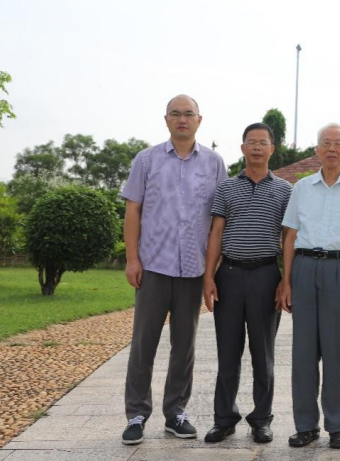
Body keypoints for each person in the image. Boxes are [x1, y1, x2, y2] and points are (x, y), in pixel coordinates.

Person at [119, 95, 227, 445]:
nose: (182, 119)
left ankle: (176, 412)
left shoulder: (214, 163)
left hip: (193, 269)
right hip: (153, 266)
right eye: (176, 114)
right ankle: (136, 414)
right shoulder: (147, 160)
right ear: (166, 119)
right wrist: (132, 259)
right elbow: (133, 210)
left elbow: (219, 219)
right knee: (143, 343)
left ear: (199, 120)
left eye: (188, 114)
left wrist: (212, 270)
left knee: (184, 346)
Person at [277, 123, 340, 449]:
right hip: (304, 269)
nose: (332, 148)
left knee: (336, 353)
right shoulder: (301, 188)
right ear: (317, 149)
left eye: (338, 143)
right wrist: (286, 281)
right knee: (303, 353)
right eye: (326, 143)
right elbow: (290, 235)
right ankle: (305, 426)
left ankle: (336, 425)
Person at [202, 122, 292, 444]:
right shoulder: (226, 188)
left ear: (271, 149)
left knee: (262, 353)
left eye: (262, 142)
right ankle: (224, 419)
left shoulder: (285, 190)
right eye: (251, 142)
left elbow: (289, 237)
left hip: (266, 276)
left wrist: (286, 280)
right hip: (229, 276)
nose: (256, 147)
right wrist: (208, 277)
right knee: (228, 352)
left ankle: (261, 419)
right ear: (242, 148)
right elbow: (216, 233)